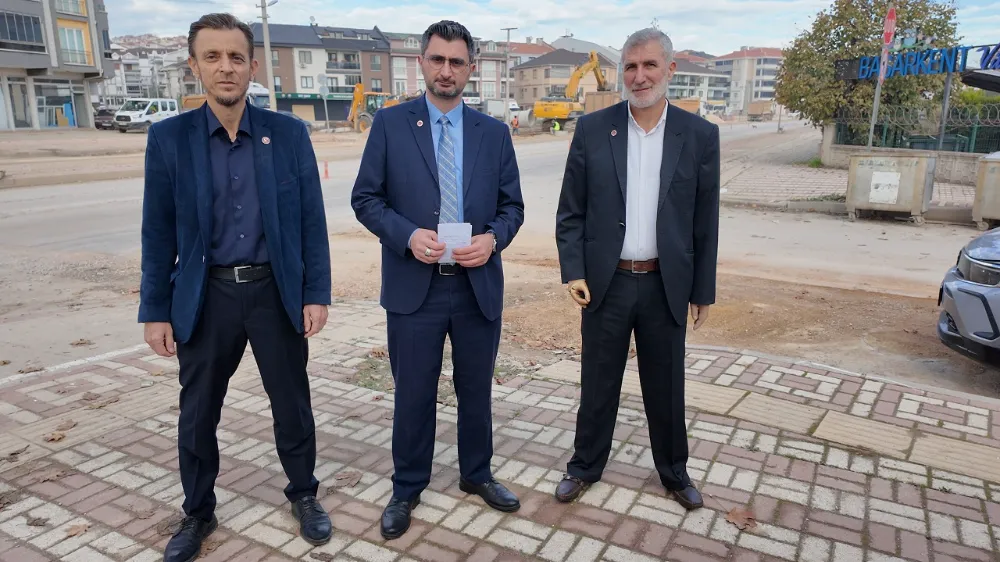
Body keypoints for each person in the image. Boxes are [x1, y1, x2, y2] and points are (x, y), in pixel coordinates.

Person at [138, 13, 333, 562]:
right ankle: (198, 511)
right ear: (195, 65)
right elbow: (157, 231)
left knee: (292, 403)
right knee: (198, 411)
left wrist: (315, 292)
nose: (226, 67)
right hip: (207, 297)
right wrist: (155, 309)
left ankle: (304, 494)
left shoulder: (288, 135)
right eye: (213, 57)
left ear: (253, 65)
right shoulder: (169, 139)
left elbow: (311, 222)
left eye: (236, 57)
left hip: (274, 292)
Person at [351, 20, 525, 541]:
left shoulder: (493, 133)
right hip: (414, 286)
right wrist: (407, 236)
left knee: (476, 389)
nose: (446, 70)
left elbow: (512, 207)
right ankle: (407, 487)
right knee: (413, 393)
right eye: (437, 59)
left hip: (475, 285)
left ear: (471, 68)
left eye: (456, 62)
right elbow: (366, 199)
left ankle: (477, 474)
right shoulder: (390, 124)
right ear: (422, 63)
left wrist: (493, 239)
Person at [553, 27, 720, 511]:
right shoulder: (593, 129)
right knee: (597, 382)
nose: (639, 76)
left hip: (666, 284)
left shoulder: (699, 135)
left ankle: (675, 473)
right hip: (607, 283)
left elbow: (704, 220)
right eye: (630, 66)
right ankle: (584, 467)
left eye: (649, 65)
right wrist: (573, 271)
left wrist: (702, 290)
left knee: (665, 386)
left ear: (670, 69)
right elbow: (571, 212)